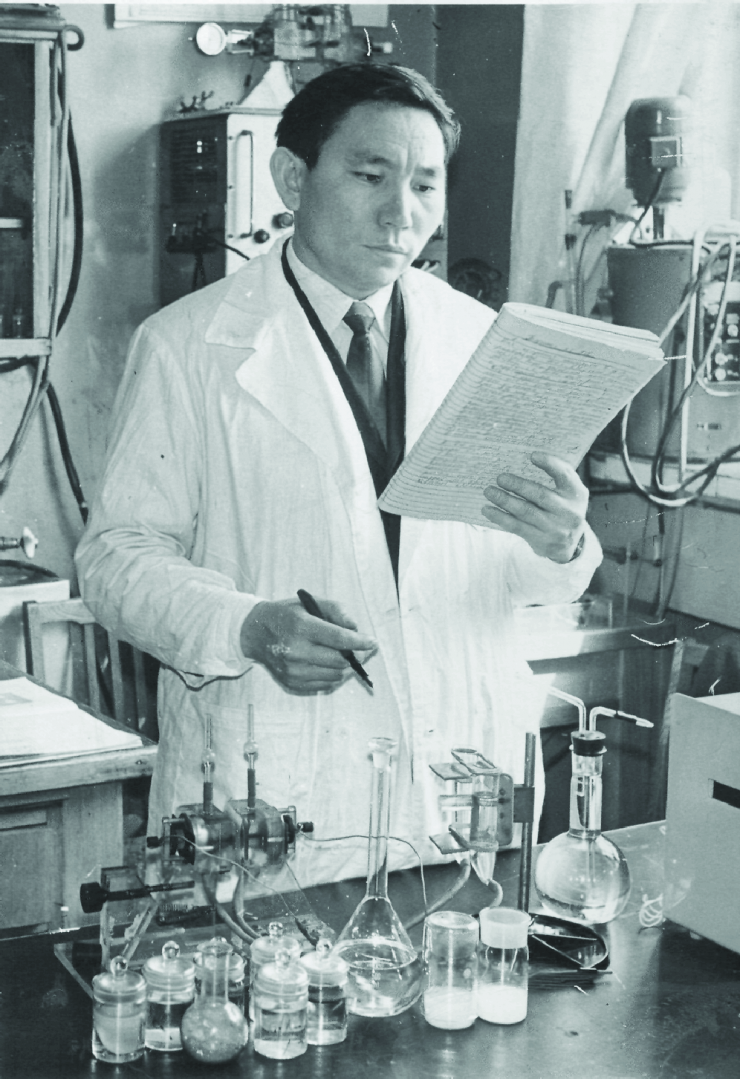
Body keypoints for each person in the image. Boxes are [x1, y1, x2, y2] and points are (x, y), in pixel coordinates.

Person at [76, 63, 601, 887]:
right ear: (293, 178)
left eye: (425, 184)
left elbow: (518, 579)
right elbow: (114, 560)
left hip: (458, 796)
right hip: (279, 796)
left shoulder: (484, 342)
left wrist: (561, 541)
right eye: (370, 175)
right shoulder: (189, 345)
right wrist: (248, 624)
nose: (402, 213)